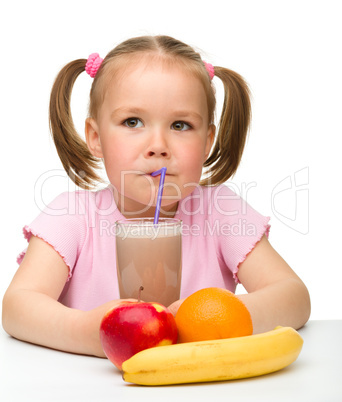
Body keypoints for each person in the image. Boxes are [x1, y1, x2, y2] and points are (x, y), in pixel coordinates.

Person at [2, 35, 310, 357]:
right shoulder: (71, 216)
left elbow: (294, 297)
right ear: (95, 137)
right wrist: (87, 332)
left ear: (207, 142)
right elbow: (17, 306)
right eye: (132, 122)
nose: (158, 145)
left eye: (180, 125)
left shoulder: (221, 212)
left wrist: (207, 321)